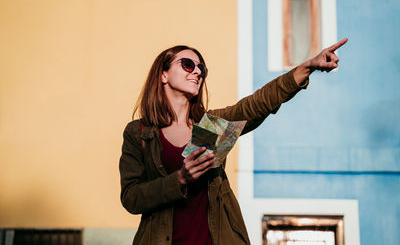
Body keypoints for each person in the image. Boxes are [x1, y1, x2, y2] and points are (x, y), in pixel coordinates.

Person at [119, 38, 348, 245]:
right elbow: (131, 198)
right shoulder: (140, 132)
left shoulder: (209, 128)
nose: (197, 72)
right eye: (188, 64)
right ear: (163, 74)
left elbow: (258, 104)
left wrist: (307, 67)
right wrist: (179, 179)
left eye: (202, 68)